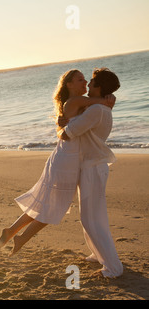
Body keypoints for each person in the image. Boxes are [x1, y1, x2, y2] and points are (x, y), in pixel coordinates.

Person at [0, 69, 115, 257]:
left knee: (47, 203)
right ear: (69, 85)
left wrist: (106, 102)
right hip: (67, 160)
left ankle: (12, 232)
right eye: (80, 80)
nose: (84, 83)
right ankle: (19, 236)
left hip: (67, 157)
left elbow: (94, 119)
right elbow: (99, 105)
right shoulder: (76, 101)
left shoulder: (79, 104)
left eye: (86, 80)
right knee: (53, 206)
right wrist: (109, 99)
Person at [58, 68, 123, 278]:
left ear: (100, 88)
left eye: (92, 83)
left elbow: (68, 134)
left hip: (92, 168)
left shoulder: (96, 111)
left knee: (89, 218)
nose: (88, 87)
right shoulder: (100, 108)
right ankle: (98, 254)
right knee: (96, 216)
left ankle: (113, 268)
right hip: (94, 166)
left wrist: (62, 126)